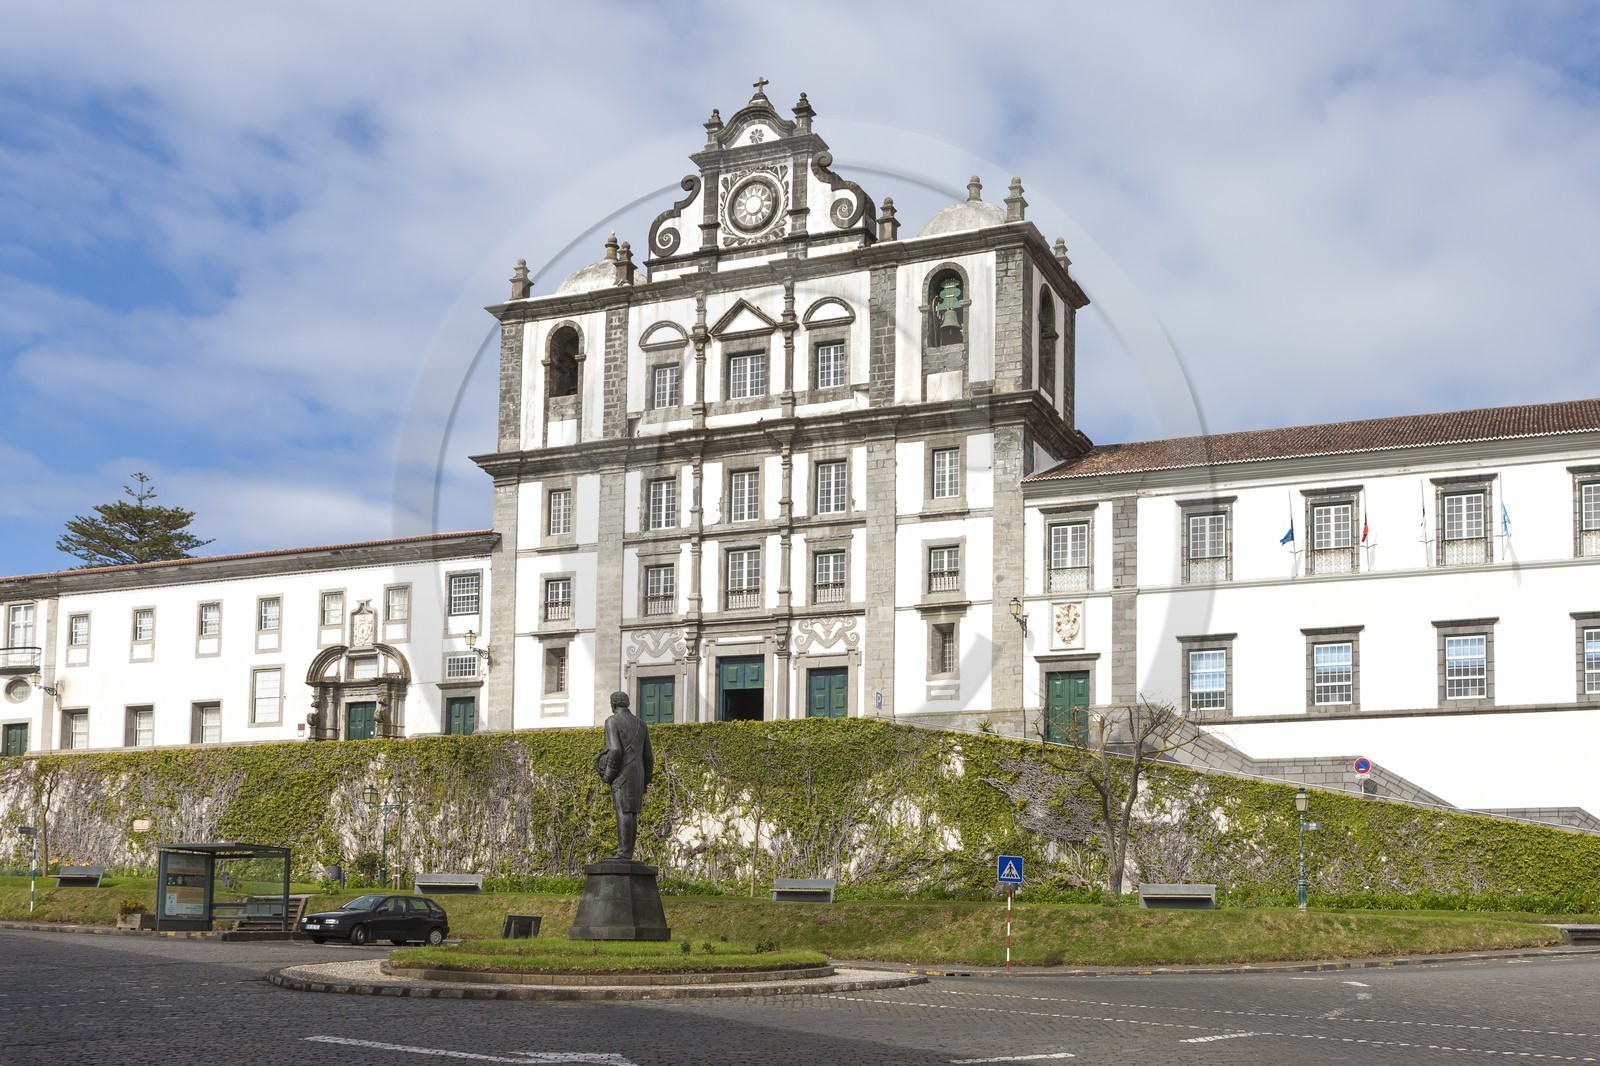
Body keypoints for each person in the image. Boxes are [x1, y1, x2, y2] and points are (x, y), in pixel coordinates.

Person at [595, 690, 653, 861]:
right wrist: (646, 778)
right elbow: (649, 756)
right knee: (632, 812)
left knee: (623, 811)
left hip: (622, 773)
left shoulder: (612, 721)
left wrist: (608, 775)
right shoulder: (641, 724)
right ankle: (627, 852)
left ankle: (624, 852)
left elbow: (615, 750)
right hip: (638, 773)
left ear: (613, 704)